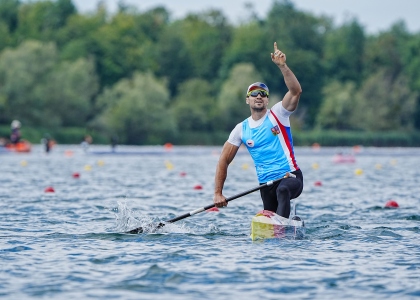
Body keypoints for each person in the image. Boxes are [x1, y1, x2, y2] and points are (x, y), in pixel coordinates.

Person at [213, 42, 303, 219]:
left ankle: (282, 228)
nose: (259, 96)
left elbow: (295, 91)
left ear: (267, 100)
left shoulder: (279, 114)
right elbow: (223, 160)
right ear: (247, 100)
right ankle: (286, 224)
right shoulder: (241, 129)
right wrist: (218, 193)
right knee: (269, 212)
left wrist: (283, 66)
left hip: (290, 177)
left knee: (284, 190)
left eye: (263, 93)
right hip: (265, 186)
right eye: (254, 93)